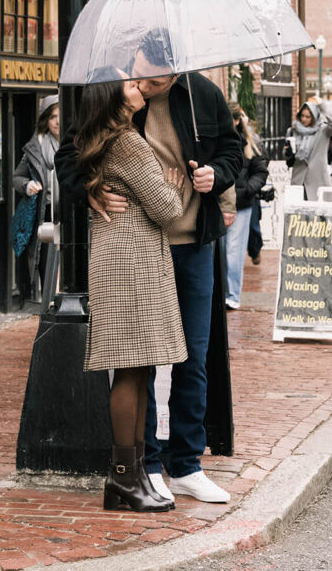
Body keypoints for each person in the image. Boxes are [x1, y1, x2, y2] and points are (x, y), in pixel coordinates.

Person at [56, 29, 242, 504]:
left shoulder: (202, 93)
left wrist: (213, 175)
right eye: (140, 77)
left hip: (191, 242)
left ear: (177, 71)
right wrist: (90, 189)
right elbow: (71, 156)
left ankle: (186, 464)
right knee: (142, 360)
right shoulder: (114, 95)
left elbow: (233, 152)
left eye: (157, 82)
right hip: (139, 249)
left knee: (190, 356)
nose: (145, 86)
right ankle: (147, 465)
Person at [76, 71, 187, 512]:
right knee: (129, 370)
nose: (138, 86)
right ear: (111, 96)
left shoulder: (110, 139)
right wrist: (172, 186)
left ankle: (135, 472)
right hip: (131, 264)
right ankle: (123, 477)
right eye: (128, 84)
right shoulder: (128, 143)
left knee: (136, 369)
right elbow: (167, 209)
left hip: (124, 262)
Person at [12, 94, 60, 305]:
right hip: (46, 213)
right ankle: (48, 310)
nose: (58, 121)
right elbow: (17, 177)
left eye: (61, 116)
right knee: (47, 266)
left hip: (72, 213)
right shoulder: (36, 147)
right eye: (52, 117)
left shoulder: (79, 142)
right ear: (45, 121)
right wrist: (27, 186)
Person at [224, 102, 269, 308]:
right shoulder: (217, 140)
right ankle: (224, 292)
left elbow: (260, 170)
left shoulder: (251, 143)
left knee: (234, 251)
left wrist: (248, 189)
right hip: (219, 203)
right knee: (223, 251)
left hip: (242, 203)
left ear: (236, 120)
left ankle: (232, 295)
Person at [284, 98, 332, 202]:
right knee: (297, 213)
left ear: (314, 117)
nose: (304, 119)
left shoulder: (323, 130)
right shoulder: (293, 131)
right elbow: (287, 156)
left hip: (318, 179)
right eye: (302, 116)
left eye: (308, 117)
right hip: (299, 178)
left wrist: (324, 107)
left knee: (320, 214)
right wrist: (287, 153)